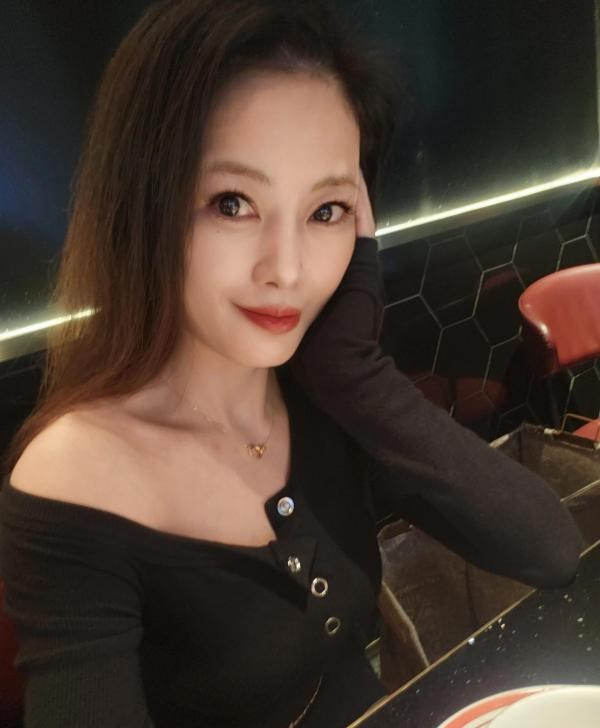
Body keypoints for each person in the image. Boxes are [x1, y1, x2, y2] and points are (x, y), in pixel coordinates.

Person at [0, 1, 583, 727]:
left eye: (326, 210)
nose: (288, 268)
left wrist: (355, 374)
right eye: (232, 203)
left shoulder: (323, 393)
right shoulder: (76, 476)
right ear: (142, 207)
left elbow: (548, 549)